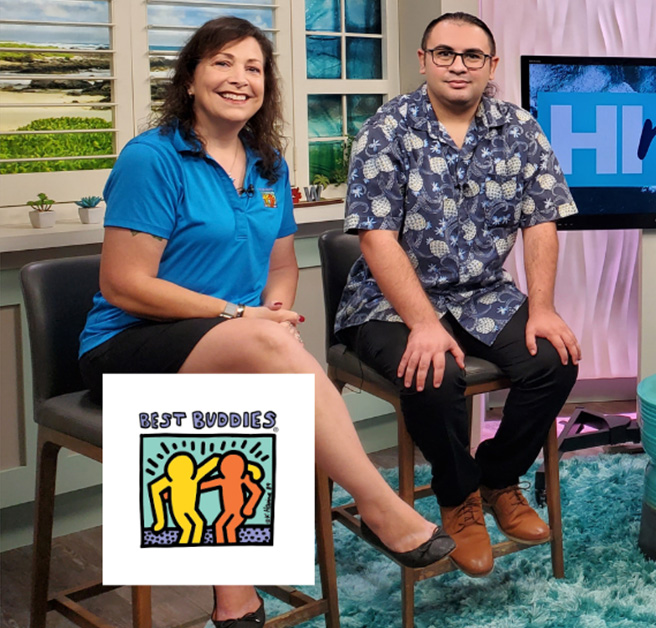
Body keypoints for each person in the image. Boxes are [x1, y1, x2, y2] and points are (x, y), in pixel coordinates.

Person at [77, 17, 454, 627]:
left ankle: (236, 602)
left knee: (249, 374)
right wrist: (243, 318)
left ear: (265, 86)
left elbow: (280, 267)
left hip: (233, 343)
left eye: (253, 67)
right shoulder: (152, 158)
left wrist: (273, 313)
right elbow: (124, 284)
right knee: (259, 354)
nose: (240, 78)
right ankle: (378, 504)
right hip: (127, 347)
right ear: (190, 77)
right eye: (223, 62)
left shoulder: (268, 164)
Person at [335, 12, 580, 578]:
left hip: (483, 294)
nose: (458, 66)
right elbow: (375, 238)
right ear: (423, 60)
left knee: (554, 358)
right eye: (445, 53)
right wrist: (423, 323)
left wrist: (542, 308)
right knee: (434, 372)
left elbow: (541, 220)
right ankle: (457, 496)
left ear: (492, 66)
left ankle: (496, 478)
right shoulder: (386, 128)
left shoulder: (520, 129)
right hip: (387, 303)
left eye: (473, 56)